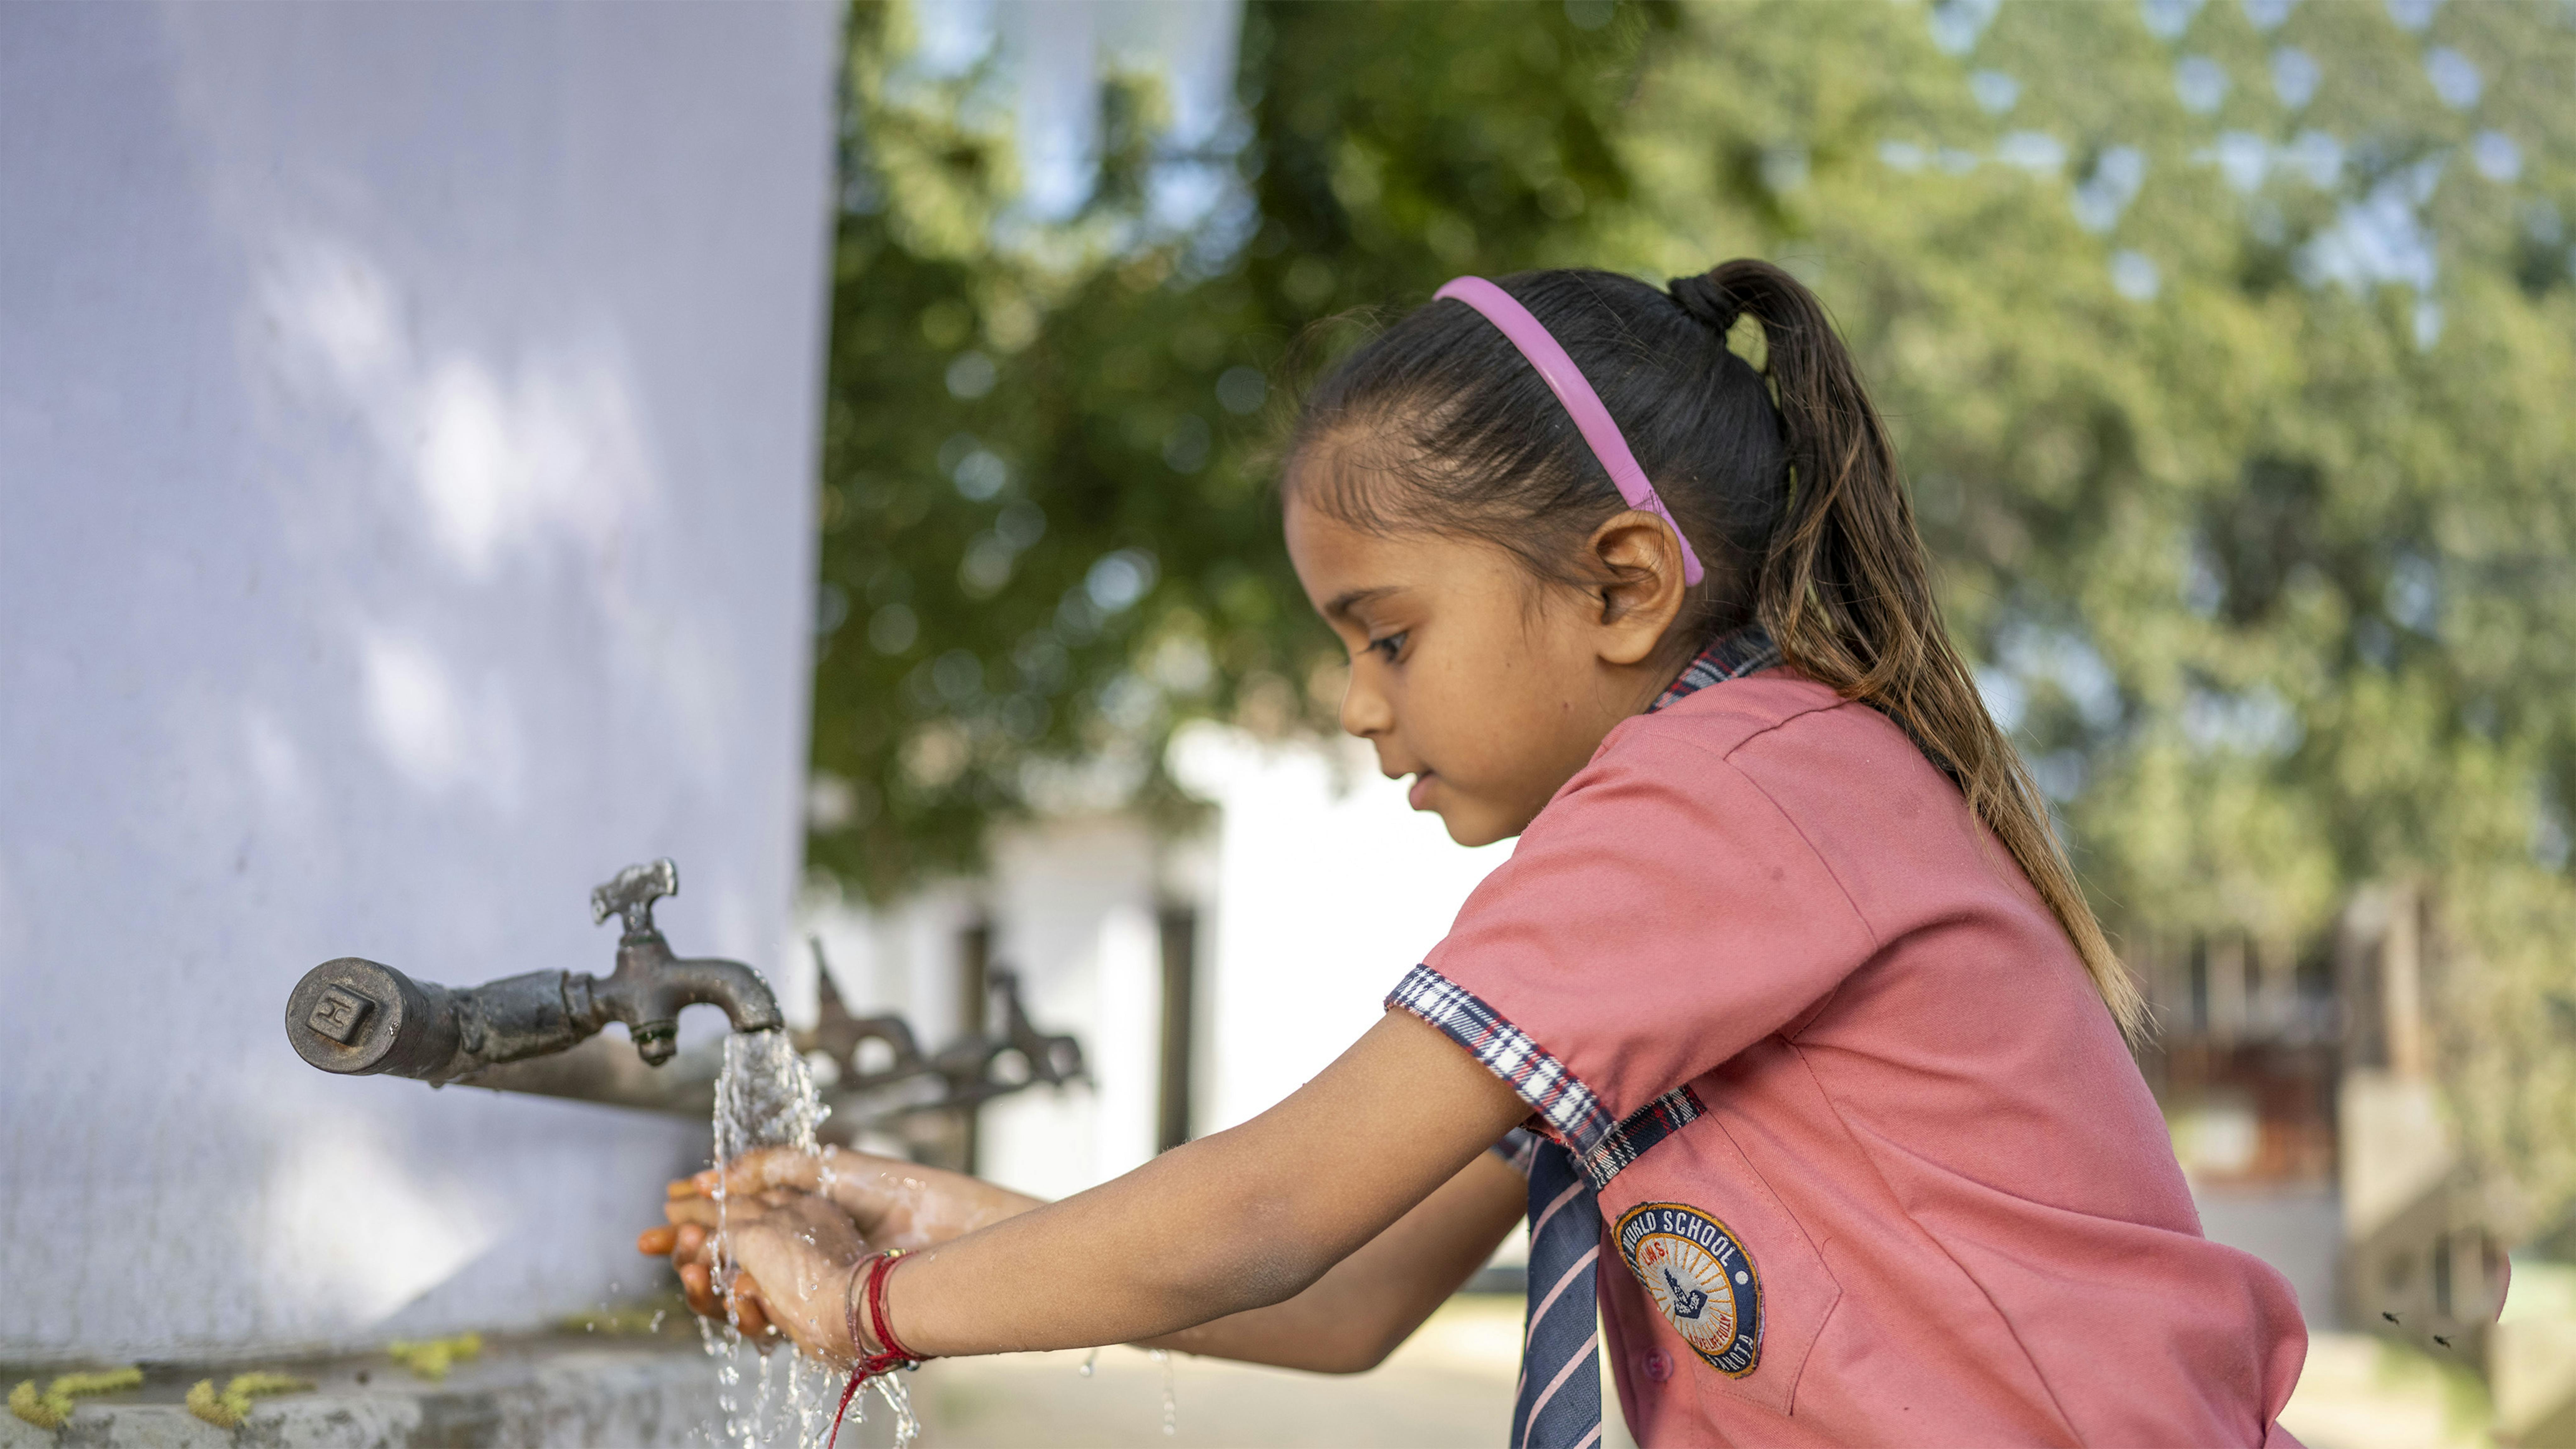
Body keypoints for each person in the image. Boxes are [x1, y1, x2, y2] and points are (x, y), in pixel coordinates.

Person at [637, 261, 2309, 1446]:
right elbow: (1346, 1300)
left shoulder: (1722, 801)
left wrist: (864, 1317)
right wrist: (924, 1227)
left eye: (1389, 634)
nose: (1361, 708)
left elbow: (1281, 1208)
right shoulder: (1709, 864)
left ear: (1624, 585)